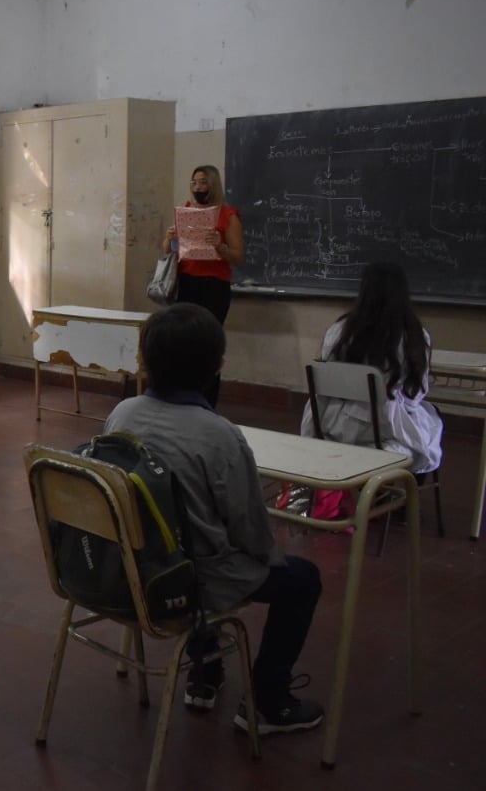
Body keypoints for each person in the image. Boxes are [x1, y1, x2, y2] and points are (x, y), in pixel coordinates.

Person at [104, 303, 324, 734]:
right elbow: (252, 534)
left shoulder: (121, 414)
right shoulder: (220, 435)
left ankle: (206, 671)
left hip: (131, 569)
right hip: (191, 579)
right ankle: (268, 700)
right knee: (301, 580)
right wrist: (268, 554)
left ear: (143, 359)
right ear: (217, 367)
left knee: (183, 544)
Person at [300, 262, 443, 474]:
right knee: (431, 425)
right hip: (382, 433)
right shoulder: (413, 335)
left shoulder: (340, 330)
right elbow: (417, 393)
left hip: (331, 428)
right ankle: (403, 498)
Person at [161, 165, 245, 407]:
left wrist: (221, 246)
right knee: (181, 341)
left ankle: (206, 400)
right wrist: (169, 238)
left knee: (207, 344)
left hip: (214, 287)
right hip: (187, 283)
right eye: (194, 183)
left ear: (213, 184)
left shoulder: (228, 216)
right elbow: (168, 252)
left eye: (203, 182)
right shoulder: (186, 212)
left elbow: (238, 257)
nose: (198, 187)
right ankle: (180, 397)